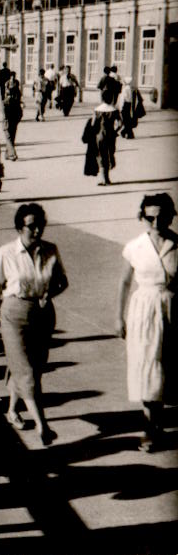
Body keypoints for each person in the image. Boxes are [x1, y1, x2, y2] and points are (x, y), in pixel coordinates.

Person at [0, 204, 68, 446]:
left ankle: (12, 410)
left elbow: (62, 281)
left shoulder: (51, 250)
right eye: (32, 226)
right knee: (26, 371)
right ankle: (43, 425)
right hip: (13, 313)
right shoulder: (6, 253)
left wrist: (51, 293)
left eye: (41, 225)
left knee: (33, 367)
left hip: (43, 314)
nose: (38, 230)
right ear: (20, 227)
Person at [116, 193, 177, 452]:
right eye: (149, 217)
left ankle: (158, 424)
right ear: (142, 217)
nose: (155, 222)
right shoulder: (135, 246)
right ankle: (148, 429)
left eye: (161, 216)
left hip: (172, 307)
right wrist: (118, 316)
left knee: (167, 367)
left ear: (171, 216)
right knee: (147, 365)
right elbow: (124, 283)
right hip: (143, 310)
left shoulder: (177, 244)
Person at [82, 88, 121, 186]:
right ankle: (107, 178)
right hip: (111, 135)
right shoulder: (114, 110)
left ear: (102, 98)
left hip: (99, 136)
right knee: (109, 154)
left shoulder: (97, 110)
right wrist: (115, 130)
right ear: (111, 98)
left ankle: (104, 179)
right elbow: (120, 124)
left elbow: (93, 123)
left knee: (101, 156)